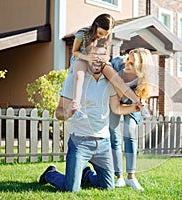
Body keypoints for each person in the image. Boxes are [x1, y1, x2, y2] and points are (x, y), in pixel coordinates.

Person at [39, 47, 140, 192]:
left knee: (107, 187)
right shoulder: (73, 80)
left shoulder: (109, 82)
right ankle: (51, 174)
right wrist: (68, 112)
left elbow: (116, 108)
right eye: (94, 55)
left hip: (103, 144)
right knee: (71, 189)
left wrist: (133, 108)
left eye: (102, 56)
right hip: (80, 142)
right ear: (87, 57)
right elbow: (59, 112)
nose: (98, 59)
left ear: (107, 60)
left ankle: (86, 174)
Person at [70, 13, 141, 119]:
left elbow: (107, 55)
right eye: (100, 33)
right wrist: (88, 57)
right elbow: (74, 51)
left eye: (105, 35)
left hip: (98, 60)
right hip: (82, 58)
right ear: (95, 26)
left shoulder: (106, 38)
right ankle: (76, 106)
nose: (101, 36)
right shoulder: (82, 33)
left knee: (115, 77)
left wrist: (104, 59)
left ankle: (137, 101)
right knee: (79, 76)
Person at [109, 48, 153, 191]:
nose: (126, 63)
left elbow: (142, 96)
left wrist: (142, 102)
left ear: (141, 68)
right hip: (114, 100)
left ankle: (131, 177)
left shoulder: (143, 80)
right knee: (114, 136)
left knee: (130, 133)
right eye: (128, 58)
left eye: (132, 63)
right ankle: (119, 177)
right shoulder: (116, 64)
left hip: (132, 103)